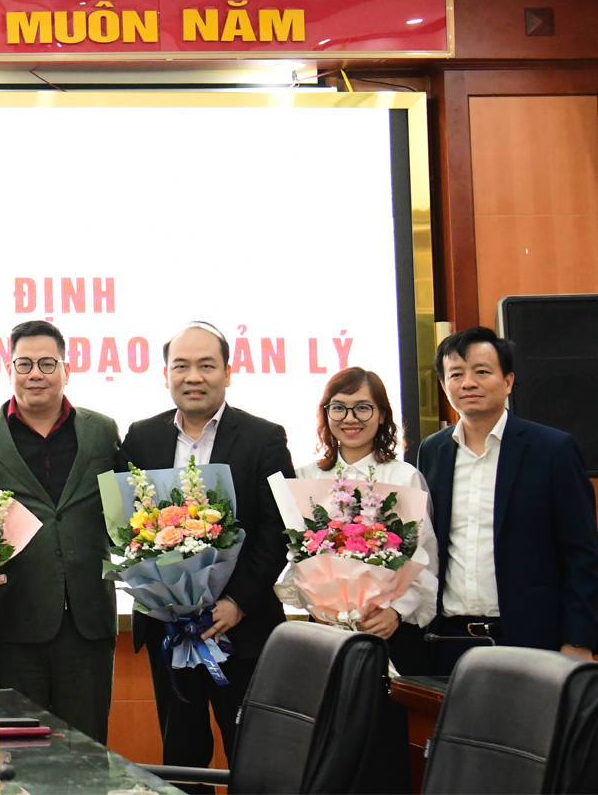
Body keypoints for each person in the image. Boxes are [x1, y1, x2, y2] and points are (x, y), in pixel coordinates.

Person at [122, 322, 293, 781]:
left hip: (242, 631)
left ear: (228, 373)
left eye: (206, 366)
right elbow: (125, 526)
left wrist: (236, 603)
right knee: (182, 758)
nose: (193, 377)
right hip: (169, 632)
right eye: (181, 366)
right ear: (166, 374)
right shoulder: (141, 436)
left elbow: (278, 530)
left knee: (252, 760)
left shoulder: (264, 437)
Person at [0, 321, 122, 743]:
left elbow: (123, 517)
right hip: (12, 619)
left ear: (66, 369)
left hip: (88, 621)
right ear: (9, 369)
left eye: (47, 363)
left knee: (87, 749)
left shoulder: (102, 431)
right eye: (25, 364)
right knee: (20, 749)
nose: (36, 374)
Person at [418, 327, 598, 673]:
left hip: (532, 640)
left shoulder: (553, 450)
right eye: (456, 374)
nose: (469, 383)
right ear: (443, 385)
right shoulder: (433, 450)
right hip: (449, 641)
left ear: (508, 381)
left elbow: (582, 553)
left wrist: (578, 640)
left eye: (482, 371)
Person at [288, 367, 437, 676]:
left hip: (388, 630)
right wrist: (319, 605)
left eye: (363, 408)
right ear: (326, 414)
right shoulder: (305, 477)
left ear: (381, 414)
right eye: (339, 408)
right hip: (326, 631)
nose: (350, 418)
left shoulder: (404, 476)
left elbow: (425, 558)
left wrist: (396, 612)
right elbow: (297, 556)